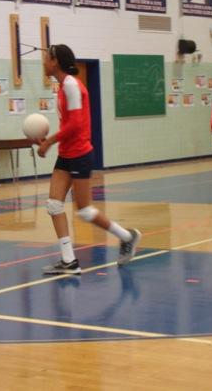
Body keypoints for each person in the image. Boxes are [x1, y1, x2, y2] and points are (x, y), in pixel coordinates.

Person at [36, 44, 141, 275]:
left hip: (80, 154)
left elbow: (75, 125)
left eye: (46, 58)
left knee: (84, 210)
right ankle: (69, 261)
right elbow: (69, 124)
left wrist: (49, 141)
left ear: (55, 61)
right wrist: (47, 140)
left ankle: (126, 236)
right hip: (66, 153)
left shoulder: (72, 85)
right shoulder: (63, 87)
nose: (43, 63)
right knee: (54, 205)